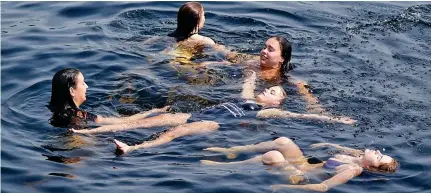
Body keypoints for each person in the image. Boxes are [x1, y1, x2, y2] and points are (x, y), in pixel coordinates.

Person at [109, 70, 355, 154]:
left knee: (176, 131)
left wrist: (334, 119)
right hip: (200, 113)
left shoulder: (266, 113)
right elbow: (249, 80)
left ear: (276, 104)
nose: (268, 91)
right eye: (269, 88)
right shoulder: (248, 97)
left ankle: (133, 149)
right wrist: (251, 72)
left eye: (274, 93)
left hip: (213, 124)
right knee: (156, 119)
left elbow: (302, 116)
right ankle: (95, 129)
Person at [48, 68, 216, 133]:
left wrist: (153, 112)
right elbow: (120, 122)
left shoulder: (59, 113)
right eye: (83, 83)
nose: (87, 86)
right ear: (72, 90)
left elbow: (116, 121)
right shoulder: (79, 117)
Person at [201, 137, 398, 192]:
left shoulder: (352, 169)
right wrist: (325, 144)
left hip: (301, 178)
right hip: (304, 165)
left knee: (274, 156)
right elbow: (338, 146)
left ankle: (221, 167)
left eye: (380, 158)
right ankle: (231, 151)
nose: (379, 152)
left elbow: (322, 187)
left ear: (371, 168)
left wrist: (283, 187)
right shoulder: (358, 156)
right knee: (283, 142)